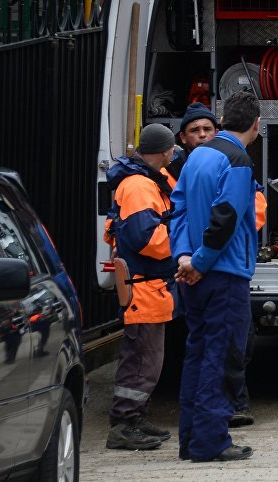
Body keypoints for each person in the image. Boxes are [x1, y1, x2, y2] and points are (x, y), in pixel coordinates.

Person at [170, 90, 260, 462]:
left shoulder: (197, 156)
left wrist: (186, 257)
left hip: (195, 274)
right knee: (222, 357)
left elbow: (178, 209)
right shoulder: (238, 160)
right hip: (224, 275)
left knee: (197, 353)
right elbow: (226, 217)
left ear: (222, 122)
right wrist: (203, 261)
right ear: (257, 126)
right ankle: (211, 441)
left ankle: (190, 439)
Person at [104, 123, 178, 450]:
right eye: (172, 148)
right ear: (163, 150)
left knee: (146, 360)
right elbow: (146, 237)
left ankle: (134, 417)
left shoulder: (141, 182)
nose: (175, 153)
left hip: (147, 286)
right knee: (140, 361)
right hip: (143, 287)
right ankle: (124, 425)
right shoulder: (139, 186)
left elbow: (115, 229)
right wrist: (183, 243)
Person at [167, 102, 219, 181]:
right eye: (195, 130)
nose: (202, 134)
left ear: (216, 134)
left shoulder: (229, 166)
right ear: (183, 137)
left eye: (207, 129)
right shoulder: (171, 172)